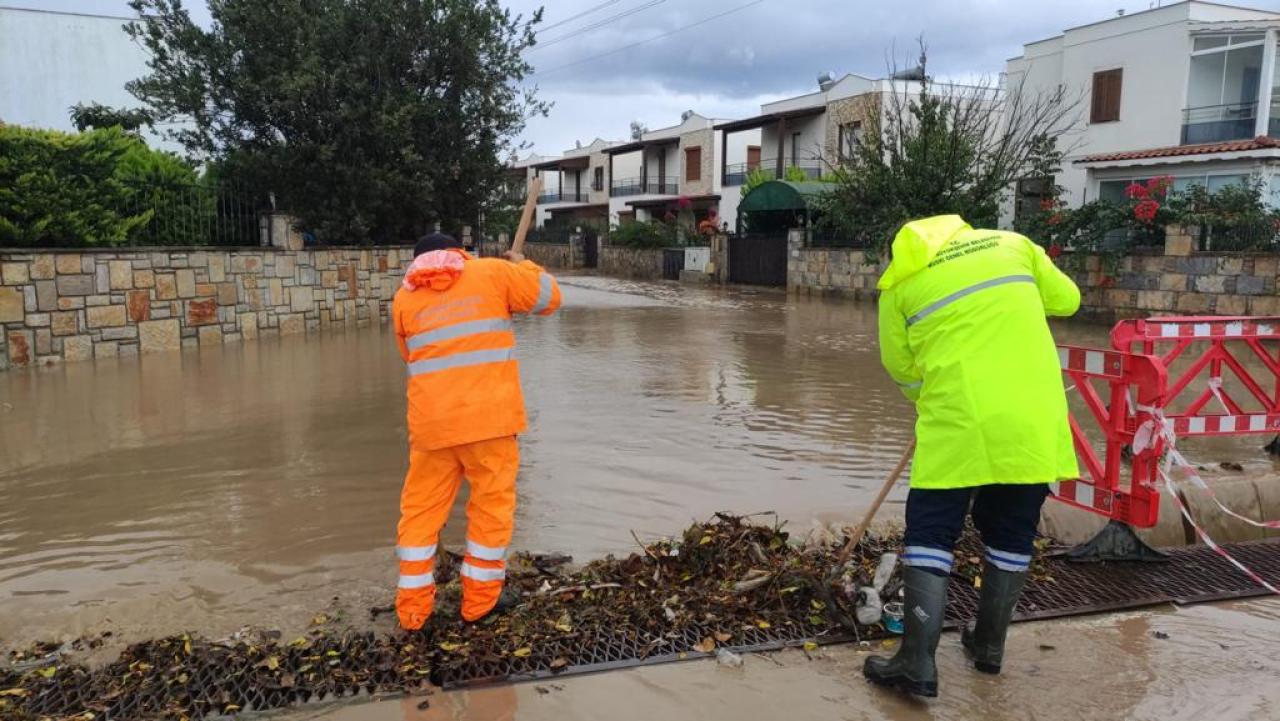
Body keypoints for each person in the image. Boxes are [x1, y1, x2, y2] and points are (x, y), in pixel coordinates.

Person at [863, 215, 1080, 697]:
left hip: (955, 425)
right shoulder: (1015, 245)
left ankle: (917, 662)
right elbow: (1068, 300)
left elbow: (901, 370)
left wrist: (932, 399)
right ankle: (988, 649)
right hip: (1031, 422)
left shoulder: (898, 285)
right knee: (1012, 532)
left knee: (932, 535)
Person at [391, 231, 562, 630]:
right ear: (459, 253)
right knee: (490, 508)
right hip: (490, 422)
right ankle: (480, 603)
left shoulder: (404, 299)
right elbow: (549, 298)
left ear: (417, 263)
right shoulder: (493, 273)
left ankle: (413, 612)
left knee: (420, 511)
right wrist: (523, 264)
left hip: (432, 428)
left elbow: (409, 356)